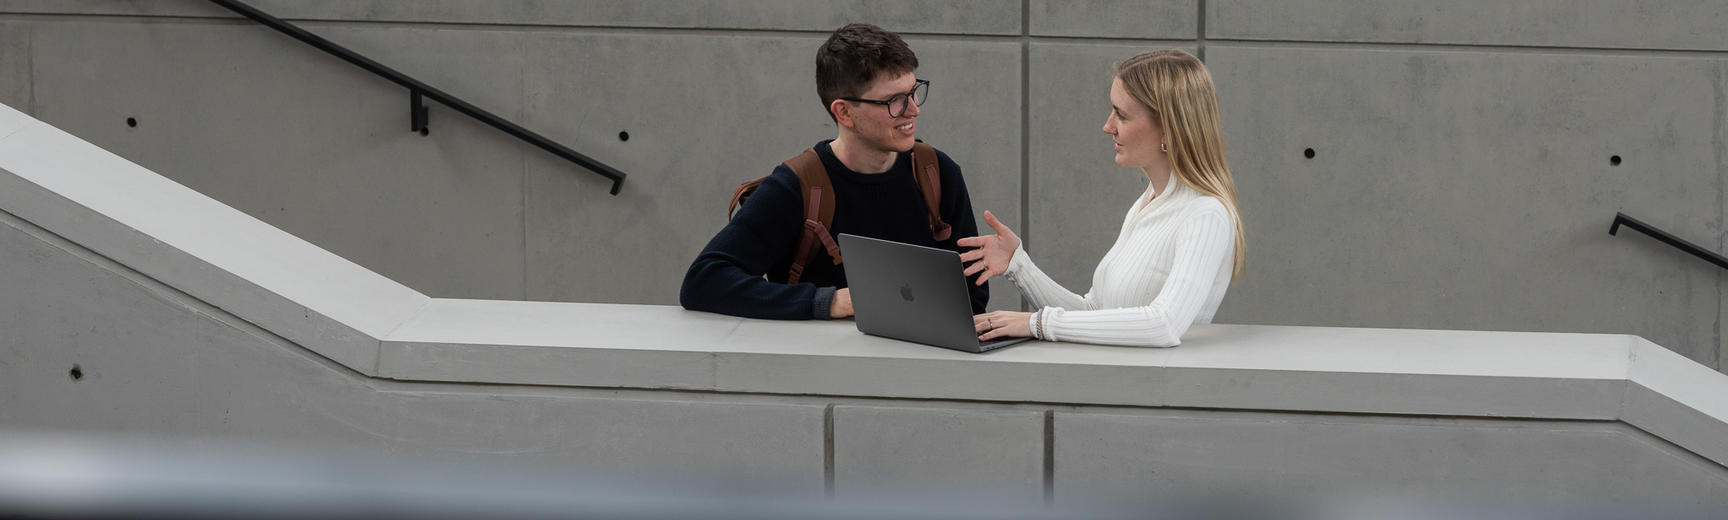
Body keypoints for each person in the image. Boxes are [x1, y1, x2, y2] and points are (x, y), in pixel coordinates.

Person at [680, 23, 987, 320]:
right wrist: (827, 301)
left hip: (921, 365)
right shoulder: (797, 185)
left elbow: (972, 299)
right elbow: (704, 281)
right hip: (818, 368)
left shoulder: (938, 172)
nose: (913, 110)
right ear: (844, 112)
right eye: (894, 100)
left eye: (913, 91)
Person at [961, 49, 1245, 347]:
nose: (1108, 126)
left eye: (1121, 115)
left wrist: (1035, 323)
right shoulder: (1148, 202)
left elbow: (1164, 324)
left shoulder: (1205, 215)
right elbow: (1094, 314)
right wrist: (1019, 265)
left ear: (1168, 127)